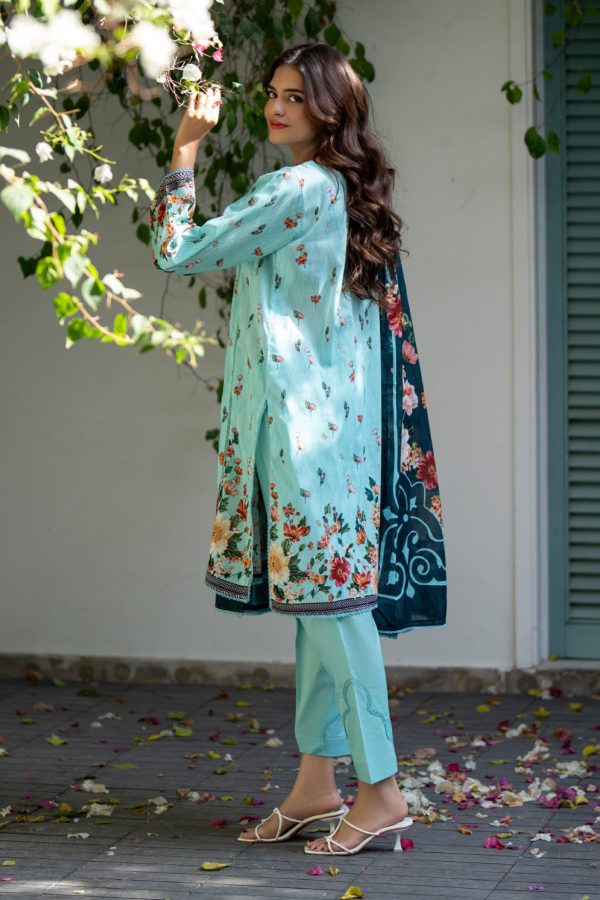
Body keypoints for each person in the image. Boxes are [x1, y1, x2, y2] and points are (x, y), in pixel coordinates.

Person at [150, 42, 447, 856]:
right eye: (272, 93)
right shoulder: (343, 190)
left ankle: (381, 791)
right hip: (340, 437)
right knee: (320, 614)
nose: (276, 108)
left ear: (330, 109)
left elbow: (180, 250)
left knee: (337, 615)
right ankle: (317, 786)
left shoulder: (297, 189)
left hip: (304, 439)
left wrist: (184, 149)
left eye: (294, 96)